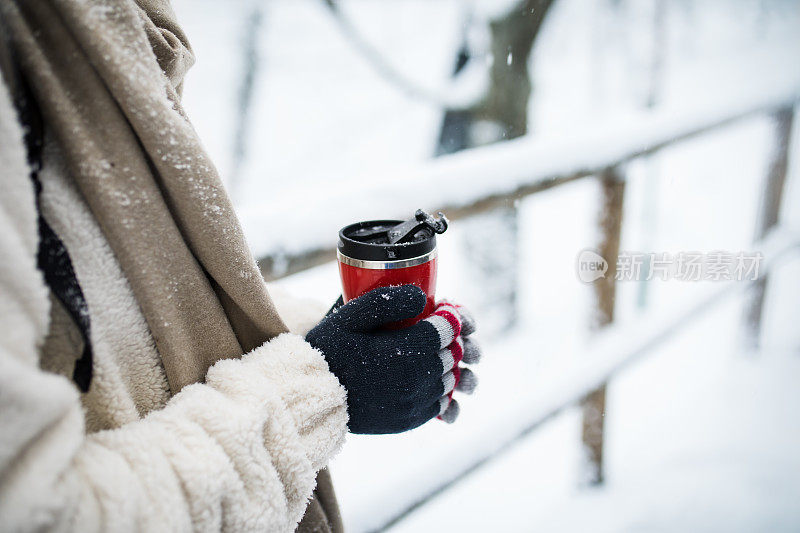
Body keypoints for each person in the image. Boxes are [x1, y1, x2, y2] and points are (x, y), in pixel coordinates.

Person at [0, 0, 481, 531]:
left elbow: (132, 305)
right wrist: (317, 389)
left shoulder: (89, 39)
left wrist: (323, 341)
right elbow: (37, 515)